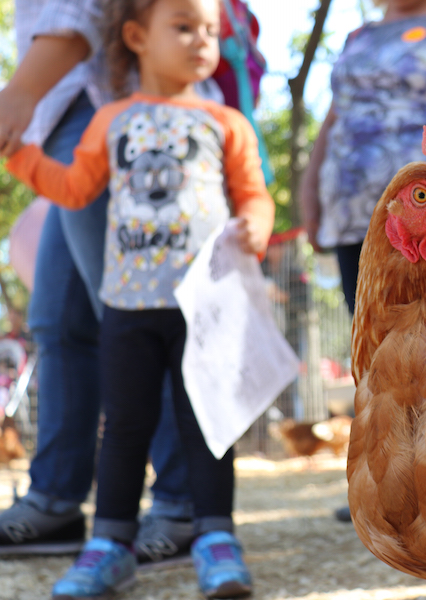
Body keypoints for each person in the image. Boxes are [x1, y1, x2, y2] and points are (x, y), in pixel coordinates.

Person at [3, 0, 275, 596]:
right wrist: (18, 153)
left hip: (202, 309)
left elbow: (253, 191)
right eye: (182, 27)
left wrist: (257, 221)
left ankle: (214, 535)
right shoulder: (111, 119)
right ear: (136, 36)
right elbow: (73, 189)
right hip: (128, 309)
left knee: (206, 422)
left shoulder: (225, 122)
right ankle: (109, 544)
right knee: (123, 425)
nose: (201, 41)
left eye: (209, 30)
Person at [0, 0, 197, 564]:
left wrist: (19, 93)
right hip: (63, 123)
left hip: (104, 113)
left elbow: (82, 9)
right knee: (58, 323)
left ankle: (181, 504)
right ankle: (56, 500)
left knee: (136, 324)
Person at [300, 0, 426, 315]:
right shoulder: (358, 36)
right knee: (371, 341)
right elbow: (333, 118)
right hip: (351, 215)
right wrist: (309, 190)